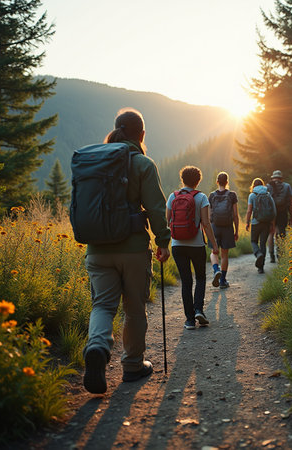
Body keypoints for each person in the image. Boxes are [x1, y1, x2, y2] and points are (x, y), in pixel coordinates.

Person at [82, 108, 171, 395]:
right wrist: (162, 241)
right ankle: (132, 365)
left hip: (97, 249)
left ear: (116, 130)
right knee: (134, 307)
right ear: (141, 134)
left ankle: (96, 348)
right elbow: (157, 208)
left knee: (103, 306)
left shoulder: (94, 163)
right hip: (132, 248)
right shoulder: (143, 164)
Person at [166, 166, 219, 330]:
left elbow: (167, 221)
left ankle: (189, 320)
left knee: (186, 281)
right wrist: (214, 245)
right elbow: (205, 223)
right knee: (201, 278)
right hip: (196, 245)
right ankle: (198, 310)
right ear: (198, 181)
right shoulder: (201, 197)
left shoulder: (172, 196)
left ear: (182, 179)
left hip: (177, 245)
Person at [208, 172, 239, 289]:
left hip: (214, 227)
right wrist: (236, 231)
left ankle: (216, 270)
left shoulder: (211, 195)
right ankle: (222, 280)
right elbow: (235, 215)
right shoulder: (232, 195)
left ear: (217, 182)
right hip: (227, 227)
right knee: (224, 254)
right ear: (227, 182)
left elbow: (209, 214)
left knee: (213, 252)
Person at [245, 178, 276, 274]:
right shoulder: (268, 194)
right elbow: (273, 210)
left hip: (255, 223)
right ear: (262, 185)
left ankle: (258, 254)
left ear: (253, 186)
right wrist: (272, 224)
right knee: (263, 243)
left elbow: (249, 210)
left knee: (254, 241)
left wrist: (247, 222)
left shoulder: (252, 195)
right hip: (266, 223)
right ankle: (261, 268)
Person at [267, 170, 292, 263]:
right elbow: (291, 203)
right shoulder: (287, 186)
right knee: (281, 233)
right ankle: (280, 255)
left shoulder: (268, 186)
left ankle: (271, 256)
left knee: (271, 233)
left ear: (273, 177)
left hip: (271, 213)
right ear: (281, 178)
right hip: (283, 213)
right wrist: (291, 217)